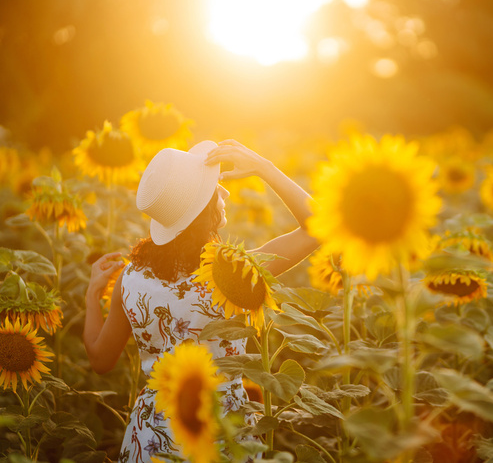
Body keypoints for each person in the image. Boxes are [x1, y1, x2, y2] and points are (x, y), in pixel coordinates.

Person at [82, 139, 318, 462]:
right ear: (203, 209)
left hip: (151, 435)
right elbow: (317, 227)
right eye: (216, 188)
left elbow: (100, 359)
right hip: (223, 432)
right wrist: (264, 167)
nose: (227, 193)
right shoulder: (235, 274)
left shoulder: (130, 279)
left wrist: (92, 296)